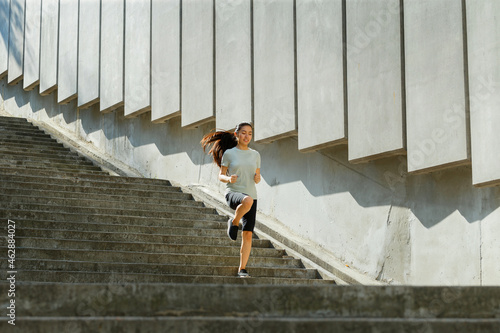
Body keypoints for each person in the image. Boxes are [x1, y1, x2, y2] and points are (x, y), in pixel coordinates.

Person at [201, 122, 261, 278]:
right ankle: (234, 222)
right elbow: (220, 175)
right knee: (247, 201)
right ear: (237, 135)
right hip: (233, 193)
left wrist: (258, 178)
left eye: (249, 133)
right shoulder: (229, 153)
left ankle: (242, 269)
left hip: (251, 194)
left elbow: (257, 177)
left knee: (247, 234)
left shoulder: (255, 155)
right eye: (243, 133)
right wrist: (228, 178)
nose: (247, 136)